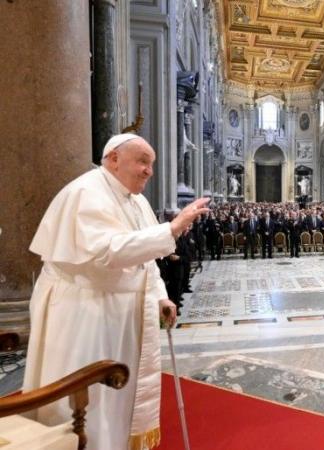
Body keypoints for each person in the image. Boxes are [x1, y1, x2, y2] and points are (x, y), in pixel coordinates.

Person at [23, 133, 210, 449]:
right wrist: (173, 228)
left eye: (151, 164)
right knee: (92, 399)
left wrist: (160, 296)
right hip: (86, 313)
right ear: (113, 159)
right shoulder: (85, 193)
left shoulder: (136, 202)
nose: (149, 171)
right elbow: (105, 252)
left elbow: (146, 260)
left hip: (121, 314)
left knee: (119, 397)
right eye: (142, 162)